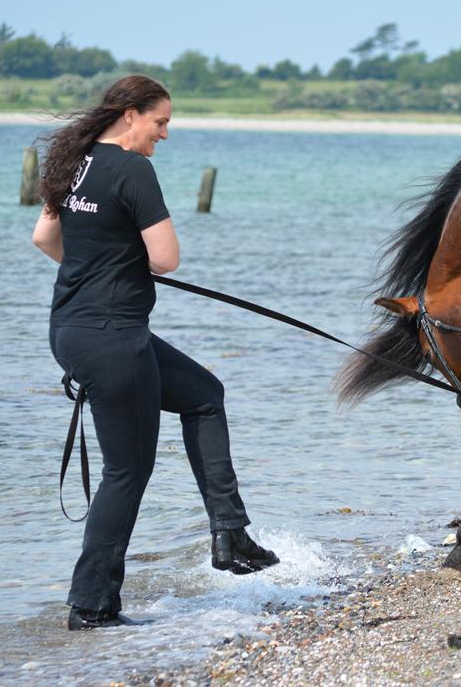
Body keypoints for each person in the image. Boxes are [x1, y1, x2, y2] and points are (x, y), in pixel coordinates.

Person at [32, 75, 278, 631]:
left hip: (72, 329)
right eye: (160, 122)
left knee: (204, 395)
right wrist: (121, 266)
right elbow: (166, 258)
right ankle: (91, 606)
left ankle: (229, 532)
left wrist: (99, 266)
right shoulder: (133, 169)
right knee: (126, 470)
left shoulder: (73, 162)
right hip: (114, 337)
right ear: (129, 115)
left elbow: (44, 241)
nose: (164, 135)